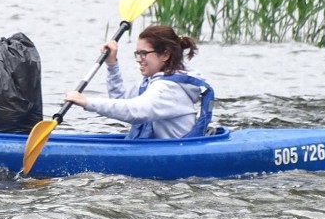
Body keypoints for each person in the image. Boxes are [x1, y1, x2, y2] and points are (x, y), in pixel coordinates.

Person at [63, 25, 215, 139]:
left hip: (176, 154)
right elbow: (120, 101)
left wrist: (87, 102)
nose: (138, 60)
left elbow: (135, 112)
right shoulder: (151, 82)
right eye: (137, 53)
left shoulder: (169, 88)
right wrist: (112, 64)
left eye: (144, 54)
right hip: (162, 150)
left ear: (165, 55)